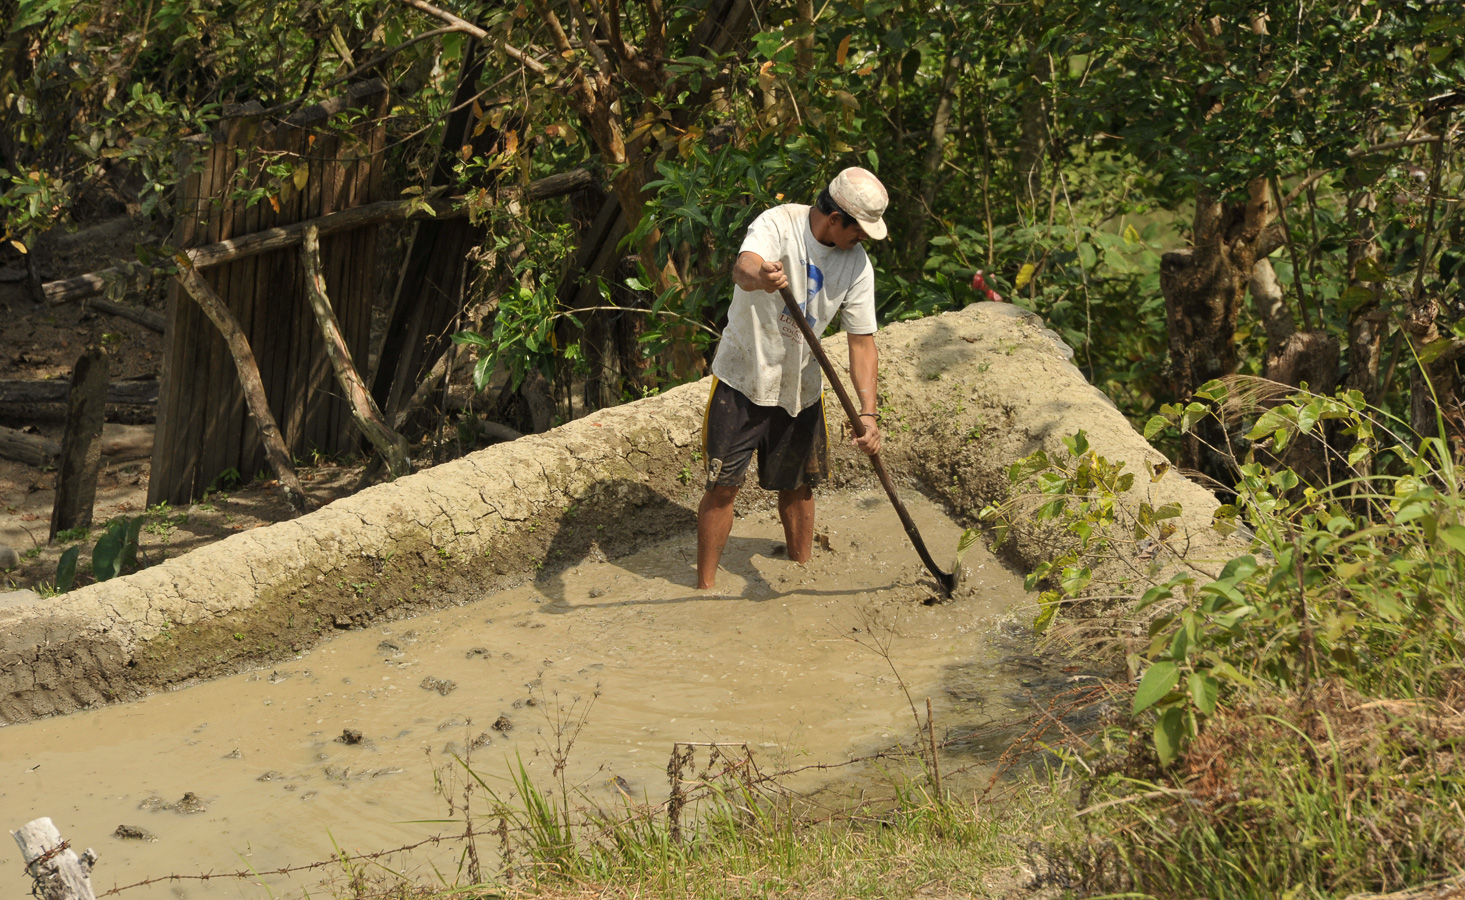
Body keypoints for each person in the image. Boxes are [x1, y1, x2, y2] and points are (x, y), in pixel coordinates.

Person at [696, 167, 888, 590]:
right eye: (860, 230)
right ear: (836, 219)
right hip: (742, 378)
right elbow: (743, 268)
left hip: (801, 388)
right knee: (723, 487)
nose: (863, 240)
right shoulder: (778, 224)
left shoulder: (856, 264)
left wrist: (869, 414)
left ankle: (803, 578)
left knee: (800, 488)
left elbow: (862, 343)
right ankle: (705, 589)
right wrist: (762, 278)